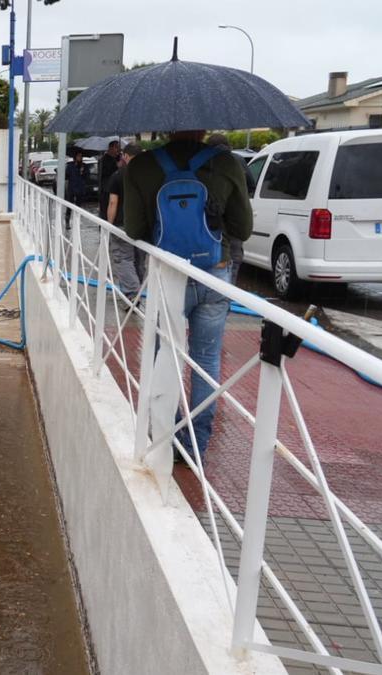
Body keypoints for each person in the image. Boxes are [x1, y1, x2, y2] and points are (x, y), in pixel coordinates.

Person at [123, 130, 252, 462]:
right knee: (205, 361)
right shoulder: (226, 163)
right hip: (213, 273)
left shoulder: (143, 166)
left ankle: (165, 431)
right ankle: (196, 445)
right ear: (205, 128)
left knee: (160, 355)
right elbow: (244, 227)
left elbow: (133, 229)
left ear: (166, 128)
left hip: (166, 274)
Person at [205, 133, 254, 286]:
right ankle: (227, 298)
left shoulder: (204, 162)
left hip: (211, 226)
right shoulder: (237, 160)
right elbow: (252, 185)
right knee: (232, 265)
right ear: (228, 146)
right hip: (235, 225)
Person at [105, 142, 145, 299]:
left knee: (123, 259)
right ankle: (140, 290)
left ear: (126, 156)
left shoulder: (118, 175)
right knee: (139, 261)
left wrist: (109, 224)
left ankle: (132, 295)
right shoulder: (148, 175)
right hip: (143, 226)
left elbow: (113, 203)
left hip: (122, 224)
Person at [98, 140, 121, 218]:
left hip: (114, 188)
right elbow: (105, 173)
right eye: (116, 147)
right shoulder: (104, 159)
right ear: (110, 148)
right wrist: (116, 166)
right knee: (105, 212)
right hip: (106, 190)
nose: (118, 149)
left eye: (118, 147)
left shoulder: (117, 158)